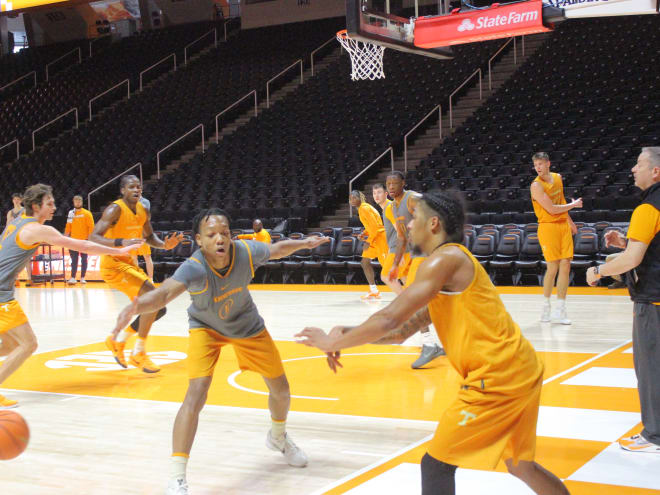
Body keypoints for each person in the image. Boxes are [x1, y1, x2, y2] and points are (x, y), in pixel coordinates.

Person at [296, 190, 570, 495]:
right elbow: (402, 331)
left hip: (497, 378)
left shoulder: (445, 259)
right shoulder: (448, 265)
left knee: (436, 463)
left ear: (434, 224)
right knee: (521, 465)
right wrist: (344, 333)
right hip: (520, 367)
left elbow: (390, 319)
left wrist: (329, 342)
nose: (409, 225)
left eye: (415, 218)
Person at [111, 208, 330, 495]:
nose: (219, 239)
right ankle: (177, 477)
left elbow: (276, 250)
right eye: (211, 234)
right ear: (199, 241)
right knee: (196, 392)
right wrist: (136, 306)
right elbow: (164, 294)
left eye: (224, 233)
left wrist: (304, 243)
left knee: (282, 390)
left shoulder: (246, 252)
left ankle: (278, 437)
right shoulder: (195, 267)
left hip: (247, 325)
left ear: (232, 236)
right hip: (206, 328)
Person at [0, 184, 139, 408]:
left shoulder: (17, 222)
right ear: (36, 206)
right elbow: (81, 245)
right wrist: (118, 251)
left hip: (2, 291)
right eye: (49, 203)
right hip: (1, 295)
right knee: (28, 344)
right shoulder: (37, 229)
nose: (54, 207)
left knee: (9, 345)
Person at [587, 147, 660, 454]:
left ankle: (654, 435)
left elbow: (631, 259)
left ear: (655, 171)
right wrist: (625, 240)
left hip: (653, 300)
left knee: (651, 367)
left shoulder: (648, 208)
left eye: (639, 164)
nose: (633, 169)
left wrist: (598, 271)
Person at [89, 175, 183, 373]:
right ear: (123, 190)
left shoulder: (143, 209)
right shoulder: (115, 209)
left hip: (129, 263)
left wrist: (165, 245)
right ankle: (138, 351)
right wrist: (120, 242)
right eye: (132, 187)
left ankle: (118, 341)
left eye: (139, 187)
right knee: (152, 296)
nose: (136, 190)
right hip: (113, 264)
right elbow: (93, 237)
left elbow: (149, 237)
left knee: (159, 308)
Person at [386, 171, 444, 369]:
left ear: (403, 183)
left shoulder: (411, 198)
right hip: (417, 254)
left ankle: (429, 344)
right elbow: (401, 238)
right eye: (388, 184)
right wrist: (395, 264)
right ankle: (445, 341)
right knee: (438, 301)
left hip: (428, 251)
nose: (391, 187)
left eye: (394, 183)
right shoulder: (394, 207)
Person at [530, 152, 582, 324]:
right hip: (548, 227)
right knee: (552, 267)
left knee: (566, 265)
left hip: (562, 226)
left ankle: (561, 309)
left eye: (540, 164)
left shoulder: (558, 178)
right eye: (535, 164)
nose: (538, 167)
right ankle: (546, 306)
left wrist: (570, 221)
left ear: (548, 164)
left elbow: (560, 201)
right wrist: (574, 205)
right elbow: (552, 209)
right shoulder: (536, 186)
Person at [349, 190, 388, 300]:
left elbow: (376, 227)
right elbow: (371, 226)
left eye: (353, 198)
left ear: (359, 198)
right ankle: (374, 291)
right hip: (374, 238)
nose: (351, 200)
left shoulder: (364, 208)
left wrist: (368, 241)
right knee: (365, 262)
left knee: (388, 267)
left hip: (380, 238)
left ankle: (410, 287)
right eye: (350, 198)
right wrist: (364, 233)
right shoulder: (363, 208)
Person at [372, 183, 403, 295]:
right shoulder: (388, 207)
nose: (376, 195)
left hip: (397, 247)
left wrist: (400, 250)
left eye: (379, 192)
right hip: (398, 247)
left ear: (386, 194)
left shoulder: (389, 207)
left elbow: (400, 230)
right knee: (404, 277)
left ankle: (406, 302)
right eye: (374, 193)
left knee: (386, 275)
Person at [65, 195, 95, 284]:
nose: (77, 202)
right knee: (74, 260)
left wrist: (89, 239)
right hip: (73, 241)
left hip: (84, 240)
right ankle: (73, 277)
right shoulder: (71, 213)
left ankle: (82, 277)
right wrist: (65, 238)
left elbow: (91, 227)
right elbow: (68, 227)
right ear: (73, 202)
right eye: (76, 201)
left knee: (84, 259)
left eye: (79, 201)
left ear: (82, 202)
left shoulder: (87, 213)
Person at [5, 193, 33, 286]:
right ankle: (15, 279)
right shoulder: (10, 212)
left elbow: (28, 222)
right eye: (15, 199)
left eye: (18, 199)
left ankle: (29, 278)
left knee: (26, 259)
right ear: (13, 200)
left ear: (21, 201)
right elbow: (8, 226)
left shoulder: (24, 210)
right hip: (13, 238)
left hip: (23, 237)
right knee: (13, 260)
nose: (16, 201)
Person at [134, 195, 154, 281]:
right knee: (133, 256)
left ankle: (150, 278)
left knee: (147, 256)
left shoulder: (145, 201)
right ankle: (137, 277)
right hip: (132, 231)